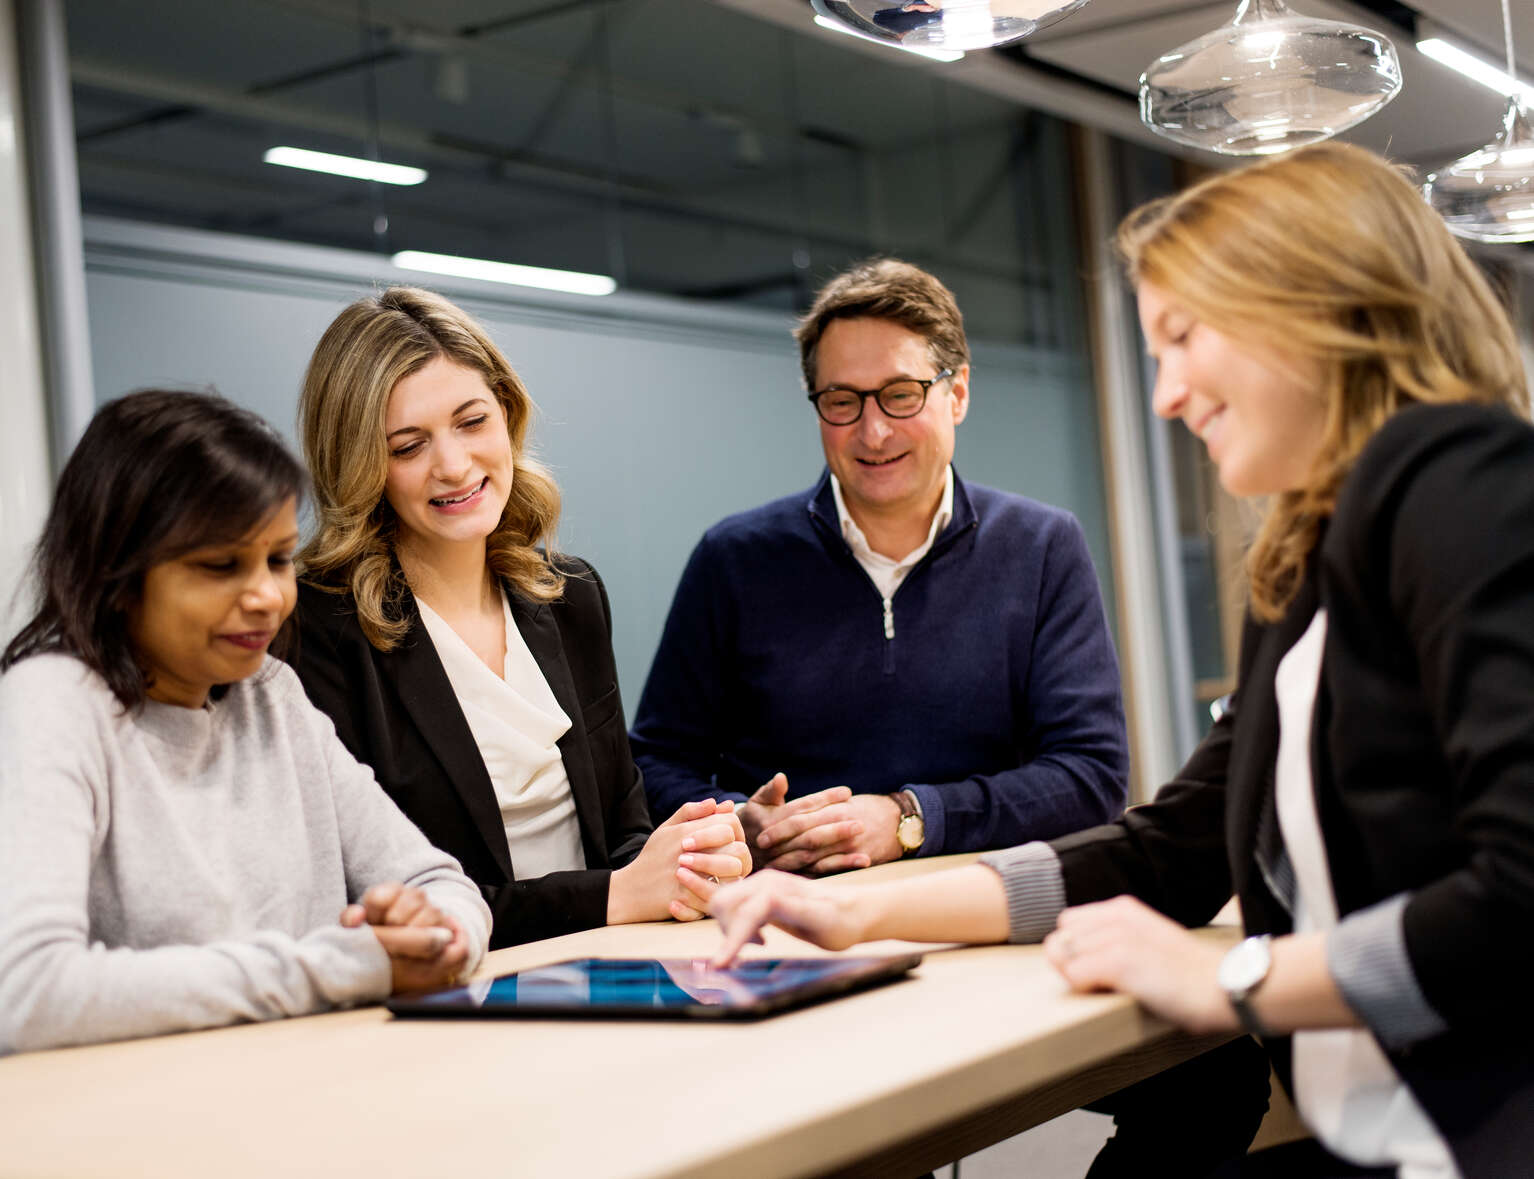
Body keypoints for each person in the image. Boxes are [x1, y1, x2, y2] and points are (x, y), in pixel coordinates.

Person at [708, 142, 1534, 1178]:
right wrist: (853, 909)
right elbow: (1166, 853)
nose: (1165, 396)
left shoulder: (1465, 483)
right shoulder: (1306, 572)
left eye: (1182, 339)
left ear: (1315, 309)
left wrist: (1237, 981)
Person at [0, 390, 491, 1070]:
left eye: (278, 559)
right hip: (61, 1115)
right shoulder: (52, 704)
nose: (267, 596)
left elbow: (439, 880)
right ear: (118, 574)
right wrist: (345, 967)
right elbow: (21, 994)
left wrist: (435, 938)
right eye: (220, 566)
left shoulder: (273, 695)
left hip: (253, 1089)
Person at [288, 287, 751, 950]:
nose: (454, 465)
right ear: (360, 464)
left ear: (506, 413)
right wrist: (616, 894)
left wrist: (689, 861)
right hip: (456, 991)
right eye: (408, 446)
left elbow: (623, 829)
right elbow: (374, 903)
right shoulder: (317, 631)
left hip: (610, 967)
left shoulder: (570, 595)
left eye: (472, 421)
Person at [631, 257, 1129, 873]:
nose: (872, 432)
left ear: (958, 393)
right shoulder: (733, 559)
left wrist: (911, 818)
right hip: (786, 909)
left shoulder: (1042, 548)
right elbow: (651, 766)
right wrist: (736, 820)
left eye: (900, 395)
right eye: (842, 401)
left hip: (981, 905)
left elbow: (1091, 777)